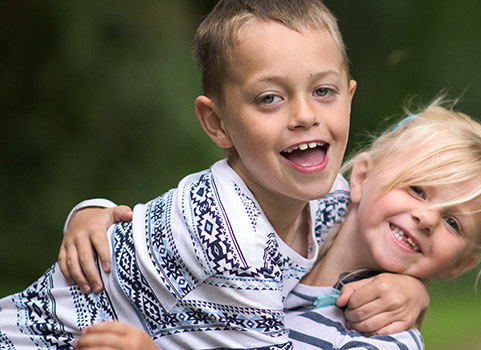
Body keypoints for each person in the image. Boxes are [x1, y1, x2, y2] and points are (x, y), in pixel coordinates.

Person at [0, 1, 427, 348]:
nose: (304, 115)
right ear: (217, 122)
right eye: (269, 98)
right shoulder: (230, 240)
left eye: (323, 91)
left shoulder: (325, 197)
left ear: (348, 99)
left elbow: (372, 233)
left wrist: (413, 293)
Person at [72, 99, 481, 349]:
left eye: (453, 223)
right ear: (360, 177)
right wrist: (95, 215)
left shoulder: (383, 340)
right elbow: (177, 230)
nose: (425, 218)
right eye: (417, 190)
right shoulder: (286, 217)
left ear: (458, 266)